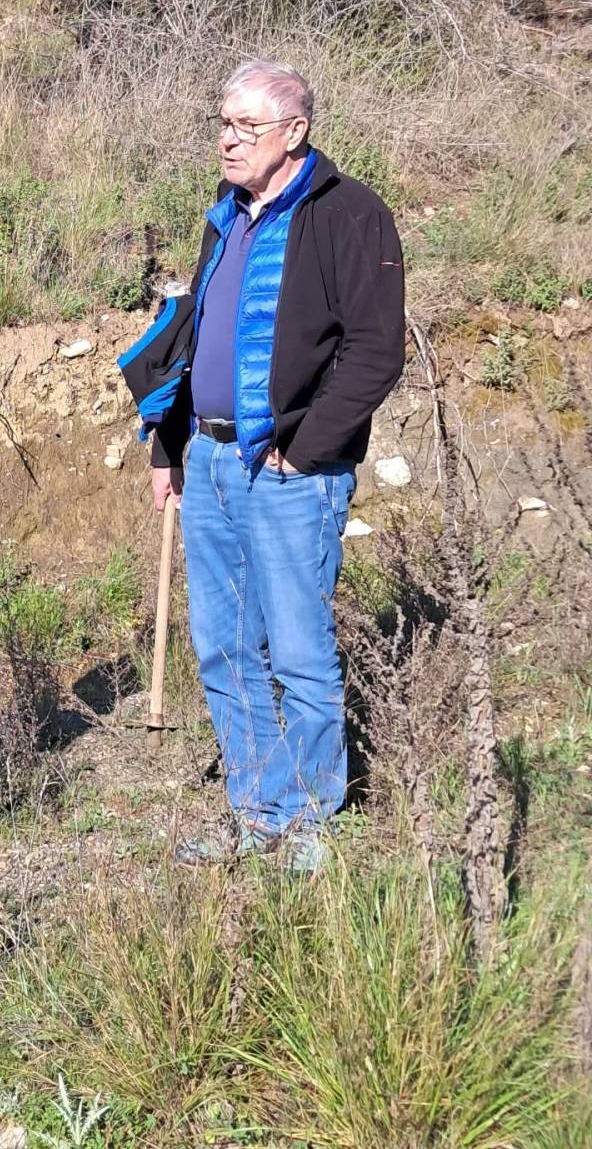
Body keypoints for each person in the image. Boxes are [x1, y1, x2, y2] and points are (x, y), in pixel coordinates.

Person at [120, 59, 405, 872]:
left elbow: (374, 351)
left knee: (299, 653)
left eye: (247, 126)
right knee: (225, 648)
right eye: (223, 122)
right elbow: (196, 338)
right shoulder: (228, 213)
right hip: (211, 460)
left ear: (295, 132)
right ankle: (258, 813)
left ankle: (311, 823)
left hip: (290, 475)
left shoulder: (349, 214)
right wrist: (170, 445)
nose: (228, 139)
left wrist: (304, 448)